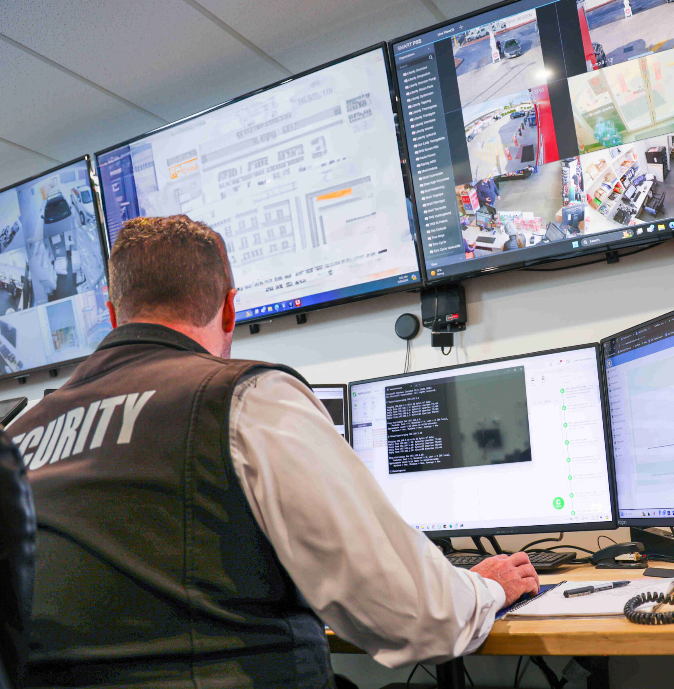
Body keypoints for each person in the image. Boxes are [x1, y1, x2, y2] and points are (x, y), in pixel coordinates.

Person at [10, 215, 539, 689]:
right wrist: (483, 588)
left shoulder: (20, 435)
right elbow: (414, 615)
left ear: (112, 312)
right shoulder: (243, 398)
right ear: (229, 306)